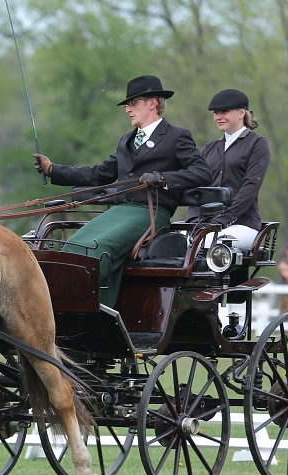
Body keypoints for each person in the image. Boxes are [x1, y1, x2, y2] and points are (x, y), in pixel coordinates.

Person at [33, 75, 212, 307]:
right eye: (127, 105)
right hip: (120, 212)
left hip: (151, 213)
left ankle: (93, 311)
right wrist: (53, 170)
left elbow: (202, 172)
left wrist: (162, 178)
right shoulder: (126, 140)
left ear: (152, 103)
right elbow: (98, 175)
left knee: (99, 249)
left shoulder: (176, 136)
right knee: (73, 247)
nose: (127, 110)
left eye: (132, 103)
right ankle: (62, 309)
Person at [186, 88, 270, 250]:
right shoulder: (209, 148)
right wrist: (194, 219)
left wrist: (221, 220)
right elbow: (197, 189)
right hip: (207, 225)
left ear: (242, 113)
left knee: (204, 243)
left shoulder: (257, 144)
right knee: (171, 242)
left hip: (243, 224)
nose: (218, 117)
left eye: (224, 111)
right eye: (216, 113)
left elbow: (250, 189)